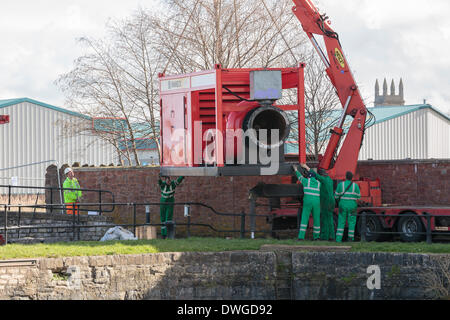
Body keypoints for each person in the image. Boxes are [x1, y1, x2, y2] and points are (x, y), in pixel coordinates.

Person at [301, 163, 335, 241]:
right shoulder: (330, 180)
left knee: (324, 219)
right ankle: (332, 236)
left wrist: (306, 167)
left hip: (325, 201)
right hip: (332, 201)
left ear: (322, 175)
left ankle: (324, 237)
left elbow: (315, 175)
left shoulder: (323, 179)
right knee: (330, 219)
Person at [293, 164, 321, 241]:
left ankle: (301, 237)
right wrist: (307, 167)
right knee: (316, 219)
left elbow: (300, 177)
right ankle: (316, 237)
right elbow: (317, 176)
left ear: (308, 177)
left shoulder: (306, 181)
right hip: (316, 202)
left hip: (308, 202)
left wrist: (295, 170)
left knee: (305, 218)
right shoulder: (319, 183)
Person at [334, 171, 361, 242]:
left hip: (343, 205)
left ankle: (338, 239)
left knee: (341, 222)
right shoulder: (356, 186)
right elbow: (359, 197)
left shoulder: (340, 185)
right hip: (352, 206)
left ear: (345, 177)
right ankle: (351, 238)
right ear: (352, 178)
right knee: (351, 222)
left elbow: (336, 196)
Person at [158, 174, 184, 239]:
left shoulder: (173, 184)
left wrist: (182, 175)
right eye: (167, 180)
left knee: (168, 218)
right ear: (165, 180)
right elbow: (159, 182)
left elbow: (178, 181)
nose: (168, 182)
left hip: (170, 203)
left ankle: (168, 234)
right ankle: (163, 234)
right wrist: (159, 177)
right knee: (162, 218)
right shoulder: (163, 185)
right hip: (163, 203)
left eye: (169, 180)